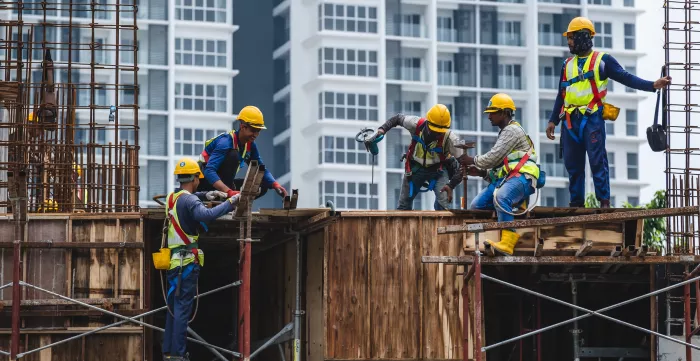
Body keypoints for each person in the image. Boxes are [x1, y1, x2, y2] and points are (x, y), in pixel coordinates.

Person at [545, 17, 671, 208]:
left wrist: (652, 85)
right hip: (570, 121)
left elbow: (625, 77)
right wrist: (553, 120)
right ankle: (576, 203)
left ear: (582, 37)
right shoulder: (567, 65)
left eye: (571, 37)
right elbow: (561, 94)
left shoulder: (602, 61)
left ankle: (604, 201)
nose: (568, 42)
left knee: (597, 161)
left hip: (592, 118)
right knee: (573, 165)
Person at [162, 157, 240, 361]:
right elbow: (206, 215)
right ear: (196, 178)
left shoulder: (173, 198)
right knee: (182, 311)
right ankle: (179, 355)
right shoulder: (190, 201)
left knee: (173, 309)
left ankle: (169, 352)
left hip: (173, 263)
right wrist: (230, 203)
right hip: (186, 264)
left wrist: (207, 193)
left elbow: (191, 198)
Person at [460, 93, 542, 256]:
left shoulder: (512, 131)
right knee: (477, 206)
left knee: (502, 197)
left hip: (522, 178)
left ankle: (508, 241)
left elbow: (493, 157)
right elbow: (499, 169)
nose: (489, 116)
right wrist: (482, 173)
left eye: (493, 112)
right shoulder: (505, 133)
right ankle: (493, 233)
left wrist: (471, 160)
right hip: (507, 179)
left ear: (504, 113)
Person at [366, 104, 464, 210]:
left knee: (444, 206)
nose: (437, 134)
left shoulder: (450, 139)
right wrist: (382, 130)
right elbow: (397, 118)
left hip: (438, 171)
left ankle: (441, 224)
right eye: (434, 130)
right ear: (428, 123)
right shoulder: (416, 124)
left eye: (440, 132)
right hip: (415, 169)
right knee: (403, 206)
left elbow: (464, 165)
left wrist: (451, 185)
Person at [197, 105, 287, 199]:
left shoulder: (250, 145)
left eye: (258, 131)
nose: (255, 135)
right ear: (243, 127)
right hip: (205, 185)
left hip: (226, 184)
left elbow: (260, 168)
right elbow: (209, 171)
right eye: (253, 130)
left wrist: (275, 185)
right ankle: (227, 195)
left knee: (263, 185)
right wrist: (229, 191)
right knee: (233, 155)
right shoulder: (225, 143)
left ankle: (235, 198)